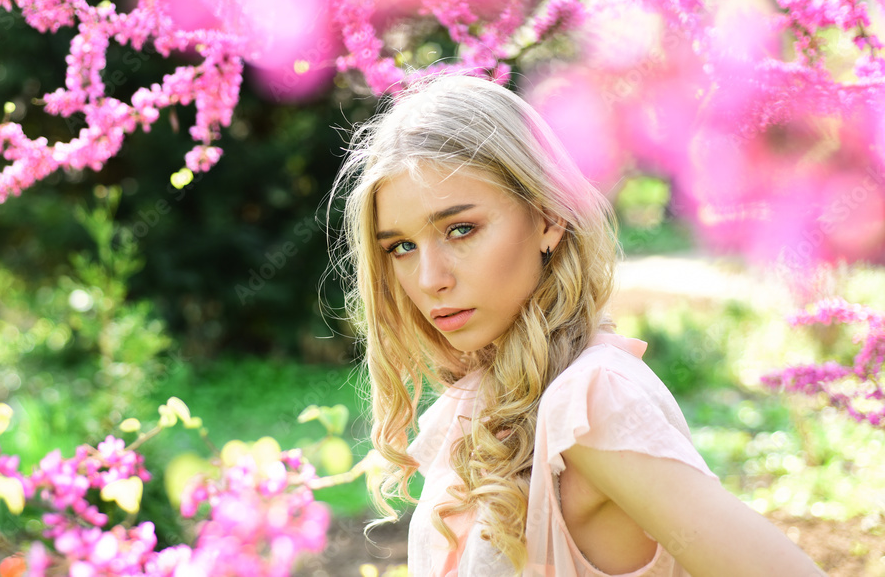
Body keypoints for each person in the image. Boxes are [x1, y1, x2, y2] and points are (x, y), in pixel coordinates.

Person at [329, 73, 827, 576]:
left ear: (548, 217)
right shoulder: (482, 401)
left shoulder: (592, 402)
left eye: (461, 230)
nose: (430, 278)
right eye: (401, 247)